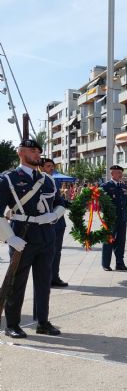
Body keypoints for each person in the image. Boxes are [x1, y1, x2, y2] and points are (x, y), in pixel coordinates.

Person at [0, 139, 65, 338]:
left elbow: (61, 203)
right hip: (22, 233)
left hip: (46, 234)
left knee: (44, 281)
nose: (37, 154)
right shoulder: (8, 179)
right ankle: (12, 324)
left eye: (38, 151)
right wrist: (9, 238)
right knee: (17, 282)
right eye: (32, 151)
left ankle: (42, 322)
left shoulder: (48, 179)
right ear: (21, 152)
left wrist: (53, 215)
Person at [39, 158, 69, 288]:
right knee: (46, 253)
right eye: (48, 166)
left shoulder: (53, 181)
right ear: (40, 167)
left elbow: (58, 201)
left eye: (52, 166)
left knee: (57, 252)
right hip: (45, 224)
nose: (52, 168)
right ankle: (46, 278)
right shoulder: (38, 182)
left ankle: (54, 277)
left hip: (58, 223)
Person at [101, 165, 127, 271]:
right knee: (108, 240)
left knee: (121, 241)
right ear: (112, 174)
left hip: (122, 218)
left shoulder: (123, 186)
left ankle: (120, 263)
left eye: (121, 173)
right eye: (118, 173)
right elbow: (101, 203)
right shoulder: (105, 186)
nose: (121, 175)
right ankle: (106, 264)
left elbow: (126, 203)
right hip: (110, 219)